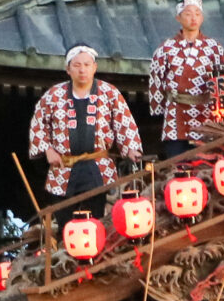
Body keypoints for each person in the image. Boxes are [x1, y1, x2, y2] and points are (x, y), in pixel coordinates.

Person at [26, 44, 142, 199]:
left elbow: (125, 123)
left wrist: (131, 149)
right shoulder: (53, 95)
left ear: (94, 67)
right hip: (63, 169)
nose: (82, 70)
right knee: (64, 213)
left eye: (87, 65)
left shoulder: (109, 93)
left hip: (99, 167)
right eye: (77, 65)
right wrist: (48, 150)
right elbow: (38, 125)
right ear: (68, 69)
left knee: (95, 211)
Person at [145, 0, 224, 157]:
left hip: (206, 112)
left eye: (197, 14)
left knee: (207, 160)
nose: (193, 18)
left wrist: (223, 110)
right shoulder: (166, 48)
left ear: (202, 18)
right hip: (176, 110)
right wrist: (158, 109)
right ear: (178, 18)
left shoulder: (214, 48)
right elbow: (156, 81)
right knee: (177, 161)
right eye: (188, 14)